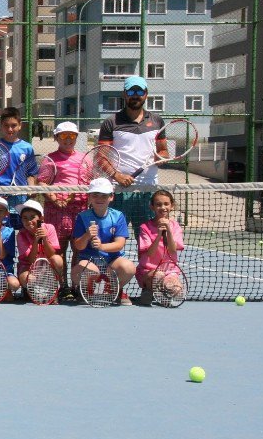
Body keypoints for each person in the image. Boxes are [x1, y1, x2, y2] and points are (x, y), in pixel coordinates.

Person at [98, 75, 169, 231]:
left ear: (146, 94)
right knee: (113, 237)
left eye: (139, 91)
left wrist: (162, 157)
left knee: (148, 241)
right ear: (124, 94)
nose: (135, 95)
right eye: (131, 92)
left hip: (148, 191)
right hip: (119, 191)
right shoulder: (111, 122)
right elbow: (101, 157)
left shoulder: (157, 121)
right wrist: (117, 176)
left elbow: (163, 150)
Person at [70, 178, 137, 305]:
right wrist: (87, 235)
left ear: (111, 197)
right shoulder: (82, 217)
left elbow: (119, 244)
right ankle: (88, 290)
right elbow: (78, 245)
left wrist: (101, 246)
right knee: (81, 271)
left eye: (104, 195)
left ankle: (113, 290)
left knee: (128, 267)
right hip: (89, 261)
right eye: (95, 195)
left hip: (112, 262)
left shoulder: (118, 216)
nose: (99, 199)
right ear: (89, 197)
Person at [43, 121, 87, 294]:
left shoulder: (84, 158)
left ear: (76, 137)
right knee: (58, 251)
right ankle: (62, 286)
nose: (68, 139)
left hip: (79, 212)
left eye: (72, 136)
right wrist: (55, 199)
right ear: (56, 138)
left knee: (78, 250)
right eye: (63, 136)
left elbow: (89, 183)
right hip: (56, 212)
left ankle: (76, 286)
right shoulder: (50, 159)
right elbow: (42, 183)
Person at [136, 189, 185, 305]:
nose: (163, 207)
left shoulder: (176, 227)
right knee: (158, 275)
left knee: (177, 291)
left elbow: (173, 249)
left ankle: (161, 291)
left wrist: (168, 229)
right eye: (158, 204)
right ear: (152, 207)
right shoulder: (145, 227)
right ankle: (148, 289)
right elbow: (150, 253)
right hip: (149, 271)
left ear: (172, 206)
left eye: (166, 204)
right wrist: (158, 235)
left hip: (169, 271)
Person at [0, 106, 36, 229]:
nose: (10, 129)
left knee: (23, 231)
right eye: (6, 125)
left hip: (20, 197)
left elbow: (30, 173)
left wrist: (31, 189)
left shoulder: (27, 148)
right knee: (0, 231)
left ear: (20, 125)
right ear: (1, 126)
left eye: (14, 125)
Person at [15, 199, 64, 298]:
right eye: (25, 218)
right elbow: (31, 260)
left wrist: (44, 239)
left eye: (32, 217)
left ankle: (55, 286)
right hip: (29, 266)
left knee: (57, 259)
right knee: (26, 278)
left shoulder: (50, 228)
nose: (29, 221)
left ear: (41, 218)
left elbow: (51, 254)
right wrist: (36, 241)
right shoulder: (21, 234)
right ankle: (28, 290)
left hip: (46, 266)